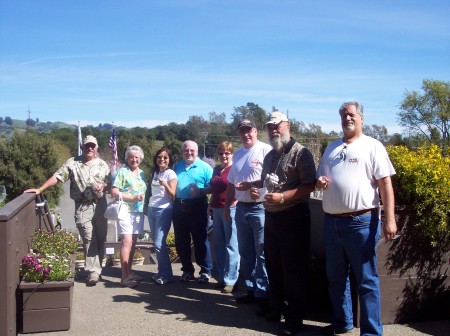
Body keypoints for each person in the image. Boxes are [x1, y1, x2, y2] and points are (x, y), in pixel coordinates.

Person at [316, 102, 397, 336]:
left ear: (361, 118)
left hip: (361, 222)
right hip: (332, 222)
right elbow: (320, 178)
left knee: (366, 280)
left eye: (351, 114)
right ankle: (342, 323)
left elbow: (385, 184)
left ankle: (371, 332)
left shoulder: (373, 146)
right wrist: (320, 182)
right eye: (343, 115)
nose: (347, 118)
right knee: (336, 278)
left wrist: (389, 218)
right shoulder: (331, 148)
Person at [251, 111, 316, 335]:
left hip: (293, 216)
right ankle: (276, 307)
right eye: (270, 127)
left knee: (294, 270)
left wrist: (283, 197)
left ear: (288, 125)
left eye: (277, 126)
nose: (273, 130)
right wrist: (256, 191)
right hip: (271, 216)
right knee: (274, 266)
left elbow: (309, 185)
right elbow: (266, 184)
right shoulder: (270, 156)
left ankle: (295, 318)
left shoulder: (301, 153)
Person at [25, 135, 110, 286]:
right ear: (82, 147)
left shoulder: (103, 165)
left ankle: (98, 268)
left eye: (93, 146)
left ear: (96, 148)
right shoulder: (73, 163)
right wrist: (40, 189)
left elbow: (110, 183)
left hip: (101, 204)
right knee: (89, 237)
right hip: (83, 206)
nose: (90, 148)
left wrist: (104, 186)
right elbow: (57, 177)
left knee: (101, 237)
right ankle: (93, 272)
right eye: (87, 146)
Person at [224, 119, 272, 315]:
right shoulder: (238, 154)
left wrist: (252, 185)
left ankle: (263, 295)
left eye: (249, 130)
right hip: (241, 208)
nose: (246, 134)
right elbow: (230, 183)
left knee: (262, 253)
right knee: (246, 252)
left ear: (256, 131)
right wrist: (227, 206)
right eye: (242, 131)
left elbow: (272, 178)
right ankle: (251, 289)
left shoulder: (265, 150)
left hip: (260, 208)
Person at [172, 140, 213, 283]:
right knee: (181, 241)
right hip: (179, 207)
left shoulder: (205, 167)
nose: (189, 153)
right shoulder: (177, 166)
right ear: (182, 151)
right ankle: (187, 270)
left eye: (192, 150)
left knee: (200, 239)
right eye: (186, 150)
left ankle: (206, 271)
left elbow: (213, 187)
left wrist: (201, 191)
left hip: (197, 206)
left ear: (197, 152)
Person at [204, 141, 239, 293]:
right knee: (218, 244)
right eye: (221, 153)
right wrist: (210, 204)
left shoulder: (235, 168)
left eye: (227, 153)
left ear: (232, 154)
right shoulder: (217, 169)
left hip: (230, 209)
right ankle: (222, 277)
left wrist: (232, 204)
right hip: (216, 209)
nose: (224, 156)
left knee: (231, 245)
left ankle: (232, 279)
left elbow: (239, 189)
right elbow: (214, 189)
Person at [111, 145, 147, 288]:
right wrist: (131, 198)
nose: (134, 160)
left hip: (138, 212)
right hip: (125, 210)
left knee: (133, 243)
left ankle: (129, 272)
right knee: (126, 242)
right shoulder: (122, 172)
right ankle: (124, 277)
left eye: (137, 157)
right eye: (131, 157)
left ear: (140, 159)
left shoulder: (142, 173)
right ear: (127, 158)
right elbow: (114, 192)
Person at [145, 147, 177, 285]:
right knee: (156, 242)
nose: (162, 159)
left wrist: (165, 185)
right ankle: (160, 272)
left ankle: (167, 275)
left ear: (169, 160)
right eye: (159, 157)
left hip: (164, 210)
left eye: (165, 157)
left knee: (159, 243)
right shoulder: (155, 172)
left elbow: (172, 194)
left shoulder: (171, 174)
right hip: (152, 209)